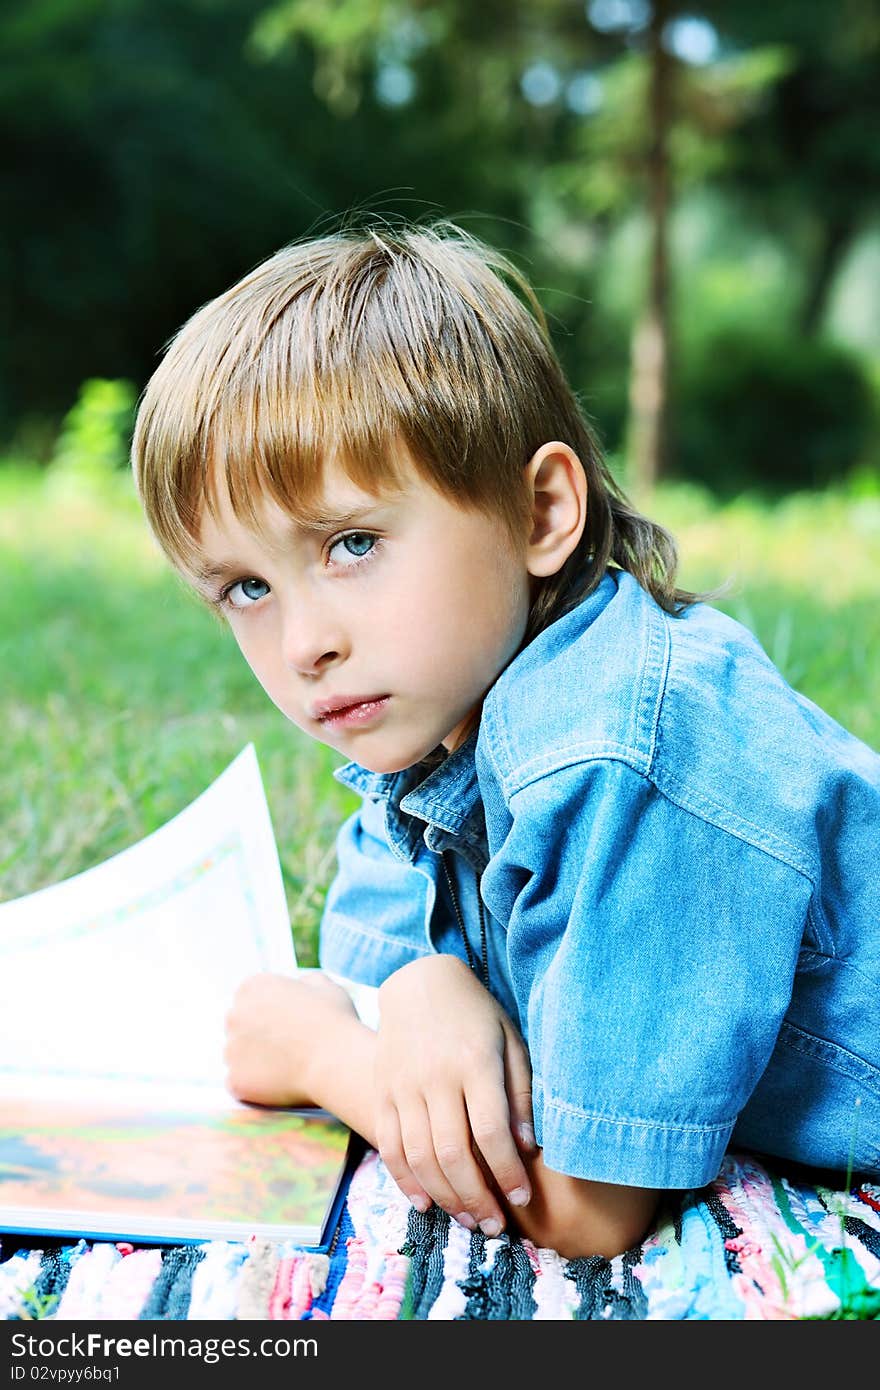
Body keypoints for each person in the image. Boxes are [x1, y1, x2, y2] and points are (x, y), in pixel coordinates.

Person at [131, 222, 880, 1260]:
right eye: (247, 587)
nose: (305, 643)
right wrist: (419, 986)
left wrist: (331, 1057)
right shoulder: (432, 714)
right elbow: (376, 946)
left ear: (540, 513)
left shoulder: (615, 759)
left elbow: (589, 1210)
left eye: (352, 544)